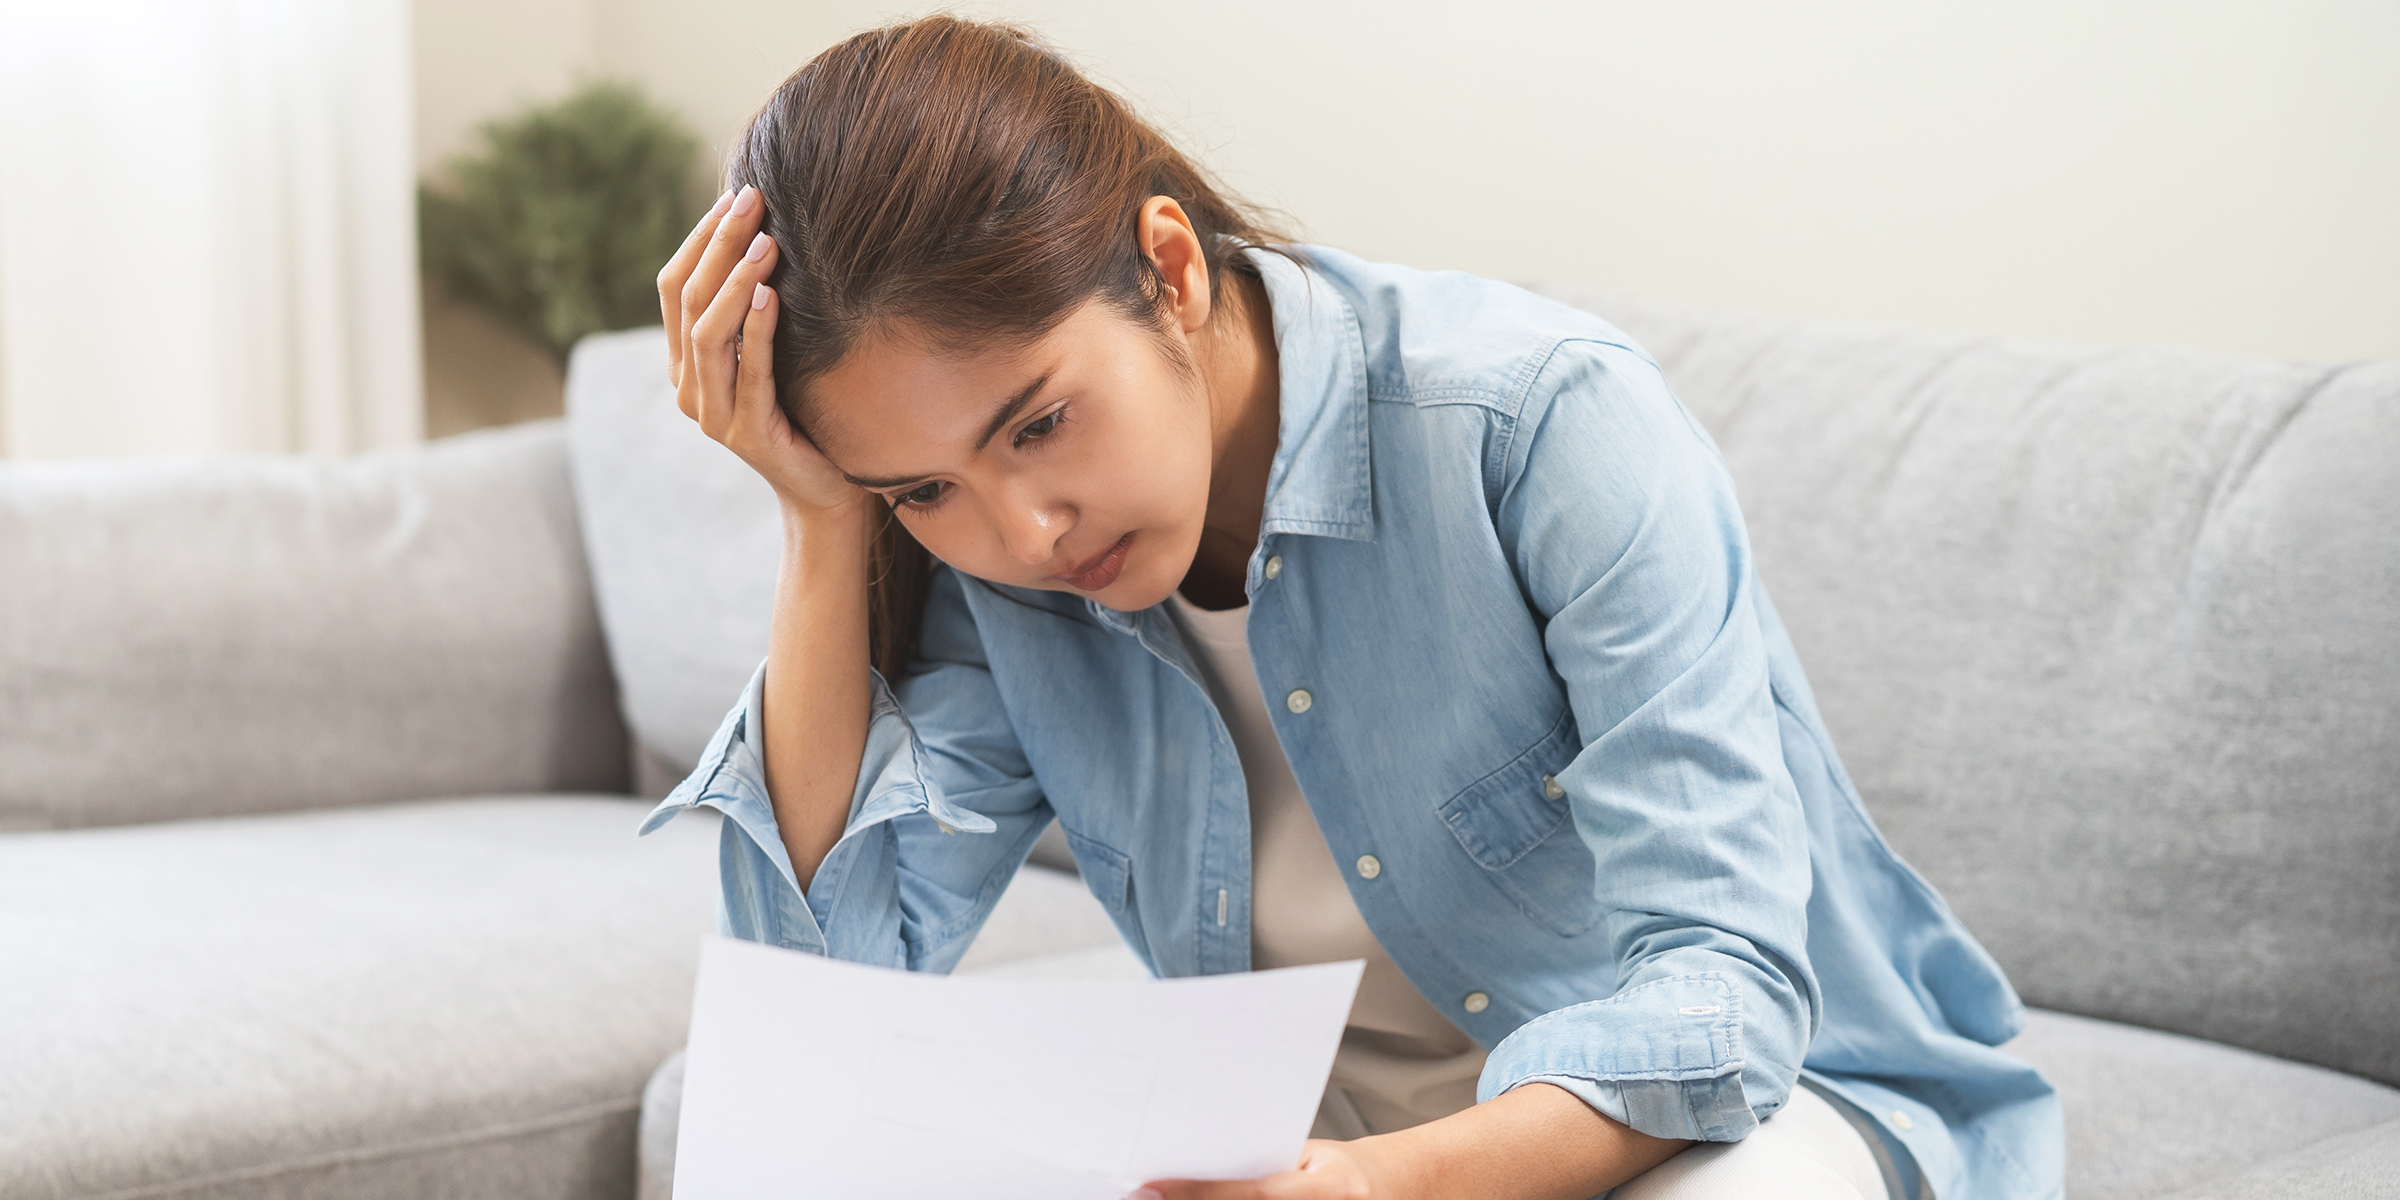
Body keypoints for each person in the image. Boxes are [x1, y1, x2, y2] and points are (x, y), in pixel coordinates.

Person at [643, 15, 2061, 1200]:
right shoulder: (991, 565)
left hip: (1713, 1122)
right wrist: (827, 523)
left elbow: (1728, 991)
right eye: (924, 490)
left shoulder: (1537, 424)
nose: (1024, 529)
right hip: (1308, 1148)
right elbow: (825, 1001)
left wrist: (1385, 1187)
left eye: (1040, 424)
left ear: (1171, 268)